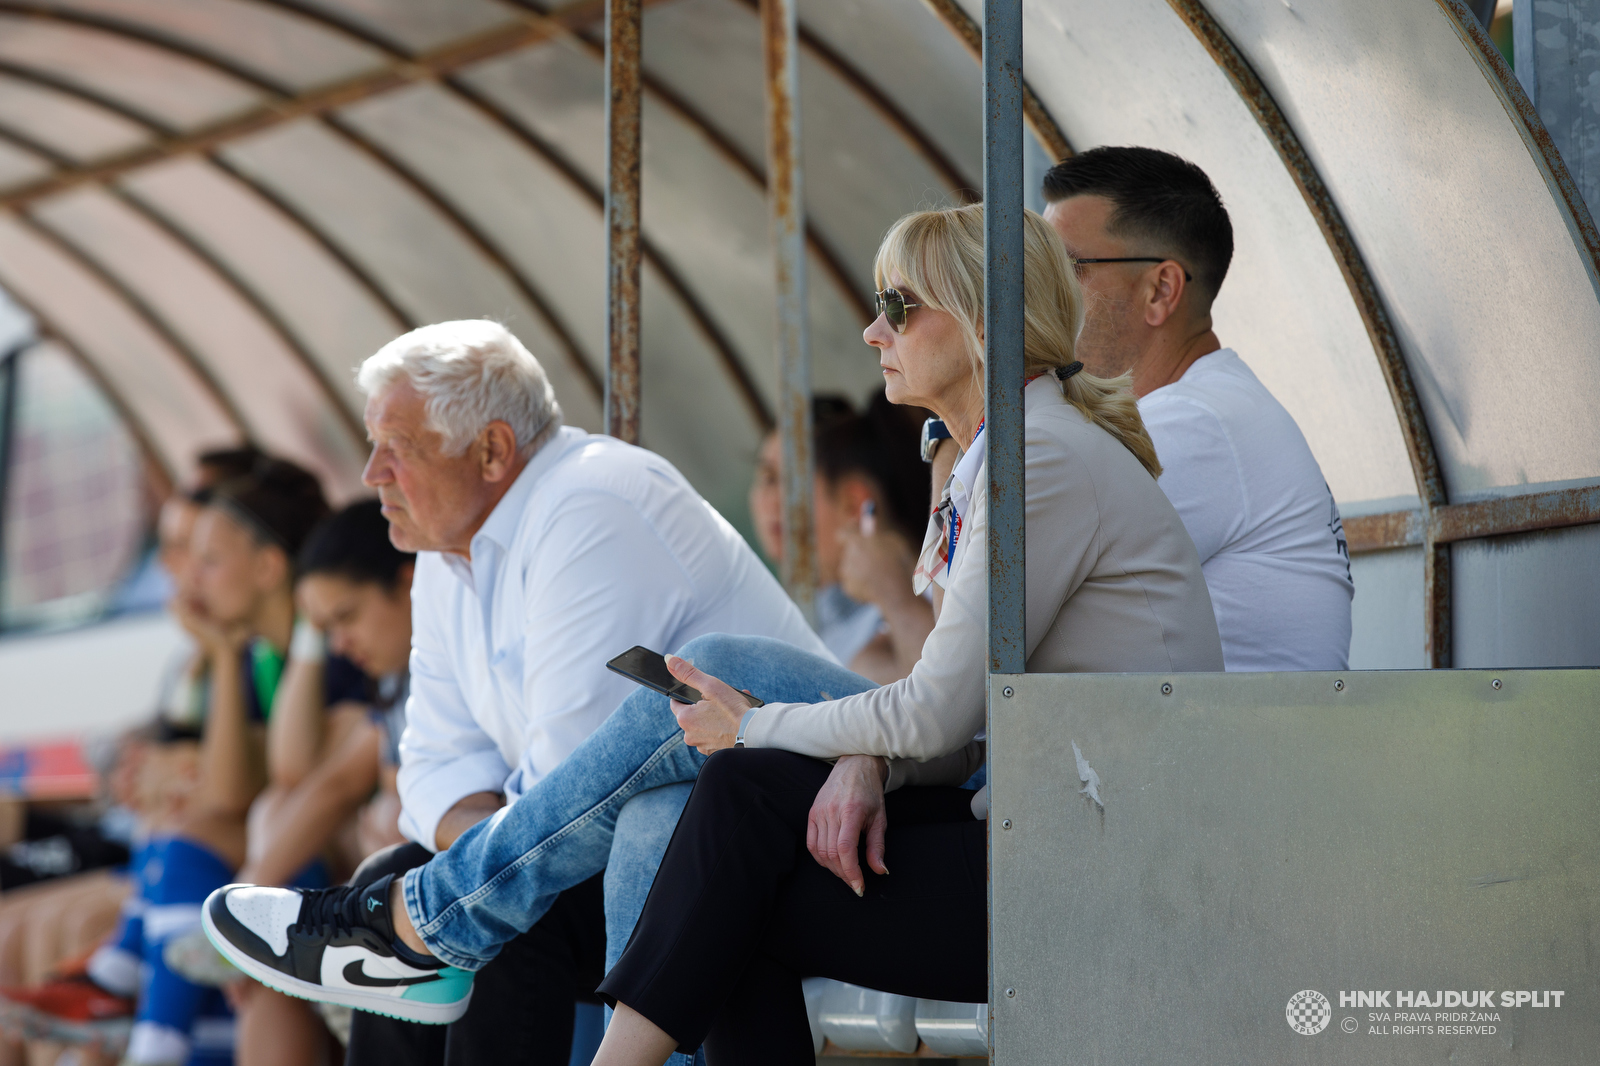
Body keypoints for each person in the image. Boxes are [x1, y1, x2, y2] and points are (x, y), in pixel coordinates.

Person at [198, 207, 1222, 1056]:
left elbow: (942, 713)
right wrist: (856, 751)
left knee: (714, 715)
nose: (873, 331)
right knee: (685, 828)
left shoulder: (1035, 459)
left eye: (897, 307)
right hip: (1017, 814)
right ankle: (425, 921)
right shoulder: (977, 462)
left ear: (984, 315)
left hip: (1097, 854)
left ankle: (426, 923)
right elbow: (952, 722)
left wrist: (761, 729)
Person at [214, 320, 824, 1066]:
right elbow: (434, 772)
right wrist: (485, 845)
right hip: (631, 860)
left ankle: (411, 922)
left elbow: (579, 787)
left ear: (494, 450)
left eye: (396, 450)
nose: (371, 473)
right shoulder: (444, 553)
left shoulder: (590, 500)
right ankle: (411, 917)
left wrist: (490, 853)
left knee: (505, 914)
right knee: (408, 876)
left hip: (769, 858)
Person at [1039, 145, 1353, 671]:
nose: (1037, 295)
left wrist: (955, 419)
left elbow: (993, 636)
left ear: (1161, 290)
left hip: (1226, 751)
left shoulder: (1194, 425)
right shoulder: (1205, 409)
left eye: (1067, 267)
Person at [748, 393, 934, 682]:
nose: (772, 503)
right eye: (767, 478)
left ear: (854, 502)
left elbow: (945, 696)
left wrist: (895, 596)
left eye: (790, 483)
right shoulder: (786, 615)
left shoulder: (932, 595)